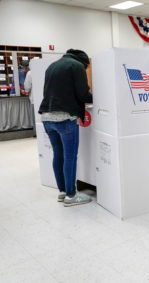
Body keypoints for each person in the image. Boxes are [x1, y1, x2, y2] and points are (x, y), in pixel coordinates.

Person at [39, 49, 93, 207]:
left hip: (47, 117)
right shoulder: (76, 66)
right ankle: (71, 196)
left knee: (58, 155)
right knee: (70, 157)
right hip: (65, 117)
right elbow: (83, 94)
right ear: (84, 62)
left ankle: (62, 192)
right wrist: (102, 97)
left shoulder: (52, 66)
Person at [24, 63, 36, 137]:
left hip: (34, 100)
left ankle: (36, 133)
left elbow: (27, 87)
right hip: (43, 98)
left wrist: (25, 91)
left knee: (35, 118)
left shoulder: (29, 73)